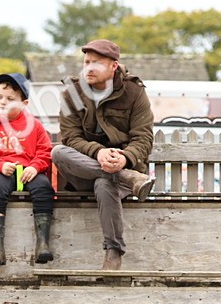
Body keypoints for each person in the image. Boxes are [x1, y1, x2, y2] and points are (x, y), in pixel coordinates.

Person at [50, 39, 155, 270]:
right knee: (58, 151)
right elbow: (70, 137)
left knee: (104, 183)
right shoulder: (72, 94)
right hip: (82, 172)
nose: (89, 67)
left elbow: (143, 138)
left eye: (96, 63)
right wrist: (98, 153)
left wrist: (125, 159)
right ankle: (129, 177)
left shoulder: (134, 92)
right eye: (86, 62)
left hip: (118, 171)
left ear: (113, 66)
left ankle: (113, 252)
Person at [0, 72, 54, 265]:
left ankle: (43, 244)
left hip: (28, 171)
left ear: (23, 104)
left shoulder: (34, 125)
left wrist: (35, 167)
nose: (2, 102)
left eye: (10, 99)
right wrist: (0, 165)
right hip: (2, 171)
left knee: (43, 188)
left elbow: (45, 151)